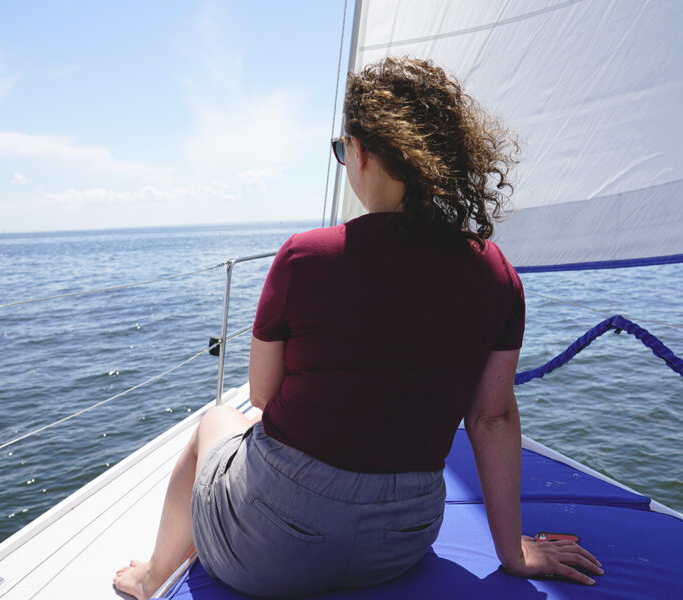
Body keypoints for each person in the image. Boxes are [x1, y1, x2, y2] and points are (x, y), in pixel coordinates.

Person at [114, 57, 603, 599]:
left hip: (271, 552)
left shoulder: (304, 257)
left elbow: (263, 395)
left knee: (218, 420)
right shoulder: (495, 273)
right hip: (400, 542)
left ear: (362, 150)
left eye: (343, 149)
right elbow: (491, 416)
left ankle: (152, 575)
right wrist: (513, 551)